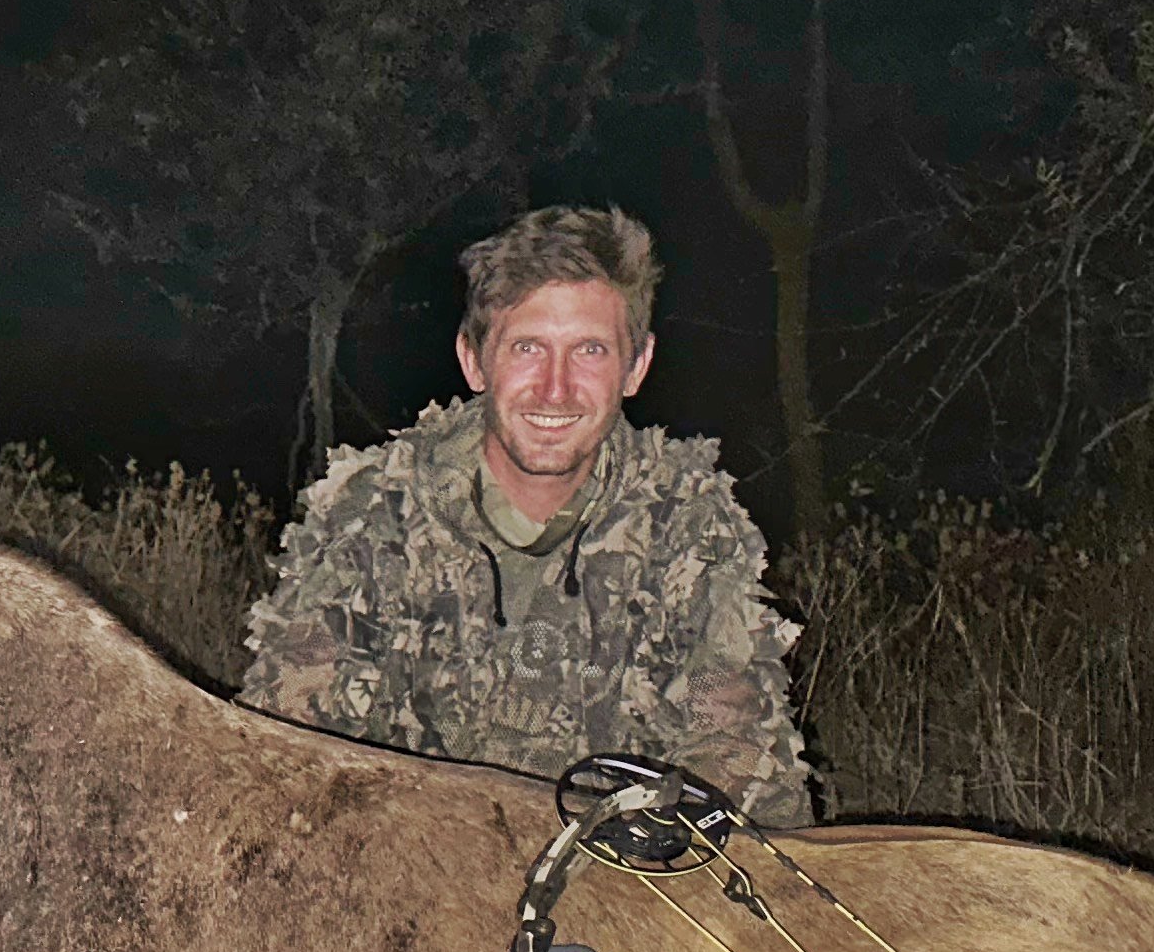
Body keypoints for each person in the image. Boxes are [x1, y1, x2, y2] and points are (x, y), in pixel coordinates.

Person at [238, 204, 815, 818]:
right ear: (474, 359)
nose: (555, 388)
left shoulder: (688, 527)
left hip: (612, 882)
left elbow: (744, 782)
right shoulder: (373, 514)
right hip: (409, 869)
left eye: (590, 350)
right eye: (527, 348)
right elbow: (283, 756)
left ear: (636, 366)